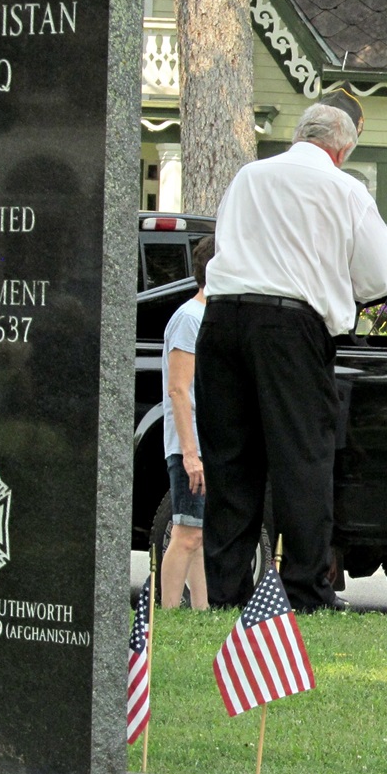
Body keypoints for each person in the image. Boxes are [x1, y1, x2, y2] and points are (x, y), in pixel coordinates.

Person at [196, 103, 387, 611]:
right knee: (302, 458)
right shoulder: (345, 188)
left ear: (297, 135)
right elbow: (382, 279)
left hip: (221, 319)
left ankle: (224, 591)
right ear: (343, 148)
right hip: (289, 328)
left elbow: (226, 241)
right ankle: (306, 590)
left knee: (230, 461)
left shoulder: (248, 176)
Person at [159, 235, 215, 609]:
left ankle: (201, 611)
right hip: (187, 446)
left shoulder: (206, 317)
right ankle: (166, 613)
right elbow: (179, 389)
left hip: (201, 444)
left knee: (198, 535)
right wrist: (191, 454)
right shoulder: (189, 319)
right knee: (186, 533)